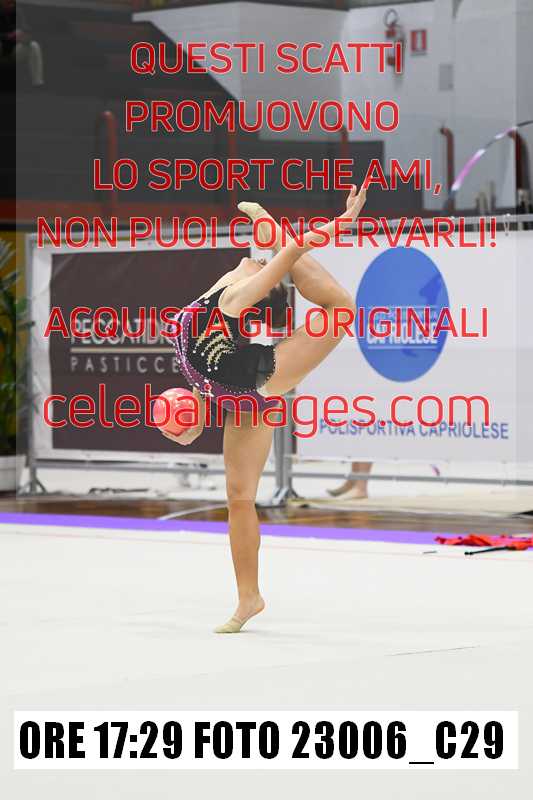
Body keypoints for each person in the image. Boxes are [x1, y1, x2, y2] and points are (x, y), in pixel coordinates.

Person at [162, 185, 367, 633]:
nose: (251, 262)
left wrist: (340, 223)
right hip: (250, 390)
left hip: (252, 384)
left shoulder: (213, 308)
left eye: (257, 261)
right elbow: (287, 253)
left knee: (340, 307)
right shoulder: (222, 300)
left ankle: (271, 228)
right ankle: (249, 598)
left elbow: (289, 252)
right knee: (238, 498)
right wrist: (337, 224)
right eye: (255, 263)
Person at [0, 0, 44, 87]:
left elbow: (26, 30)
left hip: (14, 48)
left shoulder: (17, 11)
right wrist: (10, 36)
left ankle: (37, 83)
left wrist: (25, 37)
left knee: (34, 46)